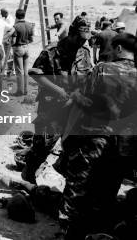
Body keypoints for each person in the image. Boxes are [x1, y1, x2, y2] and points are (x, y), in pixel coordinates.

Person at [56, 33, 137, 239]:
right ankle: (98, 230)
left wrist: (75, 96)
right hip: (126, 144)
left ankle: (68, 231)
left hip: (96, 138)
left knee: (79, 185)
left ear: (118, 48)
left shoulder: (104, 69)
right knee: (109, 187)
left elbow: (88, 102)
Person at [23, 16, 94, 184]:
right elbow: (34, 73)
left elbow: (88, 76)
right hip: (52, 106)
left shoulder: (84, 52)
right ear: (70, 33)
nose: (81, 42)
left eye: (85, 39)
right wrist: (59, 91)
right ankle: (29, 173)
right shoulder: (52, 50)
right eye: (79, 38)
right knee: (44, 144)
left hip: (75, 107)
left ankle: (65, 180)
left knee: (74, 146)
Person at [12, 9, 34, 96]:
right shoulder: (29, 25)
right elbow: (32, 39)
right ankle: (25, 90)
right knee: (25, 71)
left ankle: (20, 91)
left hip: (18, 48)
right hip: (26, 48)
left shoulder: (15, 27)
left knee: (19, 71)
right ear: (24, 15)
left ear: (16, 16)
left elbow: (13, 41)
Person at [0, 8, 15, 75]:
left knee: (9, 55)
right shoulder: (5, 18)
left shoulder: (10, 19)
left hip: (8, 39)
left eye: (2, 13)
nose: (1, 14)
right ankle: (10, 69)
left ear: (5, 13)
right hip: (5, 38)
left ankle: (11, 69)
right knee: (7, 55)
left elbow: (10, 28)